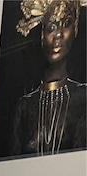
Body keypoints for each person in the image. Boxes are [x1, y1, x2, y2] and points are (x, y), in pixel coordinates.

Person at [11, 0, 87, 156]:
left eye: (66, 23)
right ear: (42, 35)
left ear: (75, 29)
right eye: (51, 27)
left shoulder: (84, 97)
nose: (58, 35)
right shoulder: (25, 106)